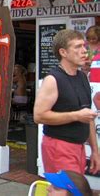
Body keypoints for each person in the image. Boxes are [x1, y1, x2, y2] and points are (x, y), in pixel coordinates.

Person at [34, 29, 99, 175]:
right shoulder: (53, 79)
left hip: (79, 147)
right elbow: (39, 116)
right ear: (63, 52)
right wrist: (76, 116)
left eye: (84, 46)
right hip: (59, 146)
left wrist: (95, 151)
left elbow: (87, 117)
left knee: (75, 190)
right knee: (65, 190)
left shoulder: (82, 77)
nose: (84, 51)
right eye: (77, 47)